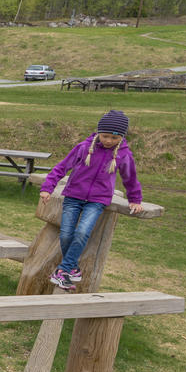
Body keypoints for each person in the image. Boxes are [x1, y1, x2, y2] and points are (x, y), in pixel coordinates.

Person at [39, 109, 143, 292]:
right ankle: (74, 268)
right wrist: (48, 188)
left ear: (121, 138)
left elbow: (130, 178)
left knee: (82, 233)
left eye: (114, 138)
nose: (109, 141)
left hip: (97, 201)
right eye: (105, 136)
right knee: (66, 235)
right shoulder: (84, 147)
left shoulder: (123, 155)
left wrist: (135, 199)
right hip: (73, 196)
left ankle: (63, 271)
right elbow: (62, 167)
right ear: (98, 132)